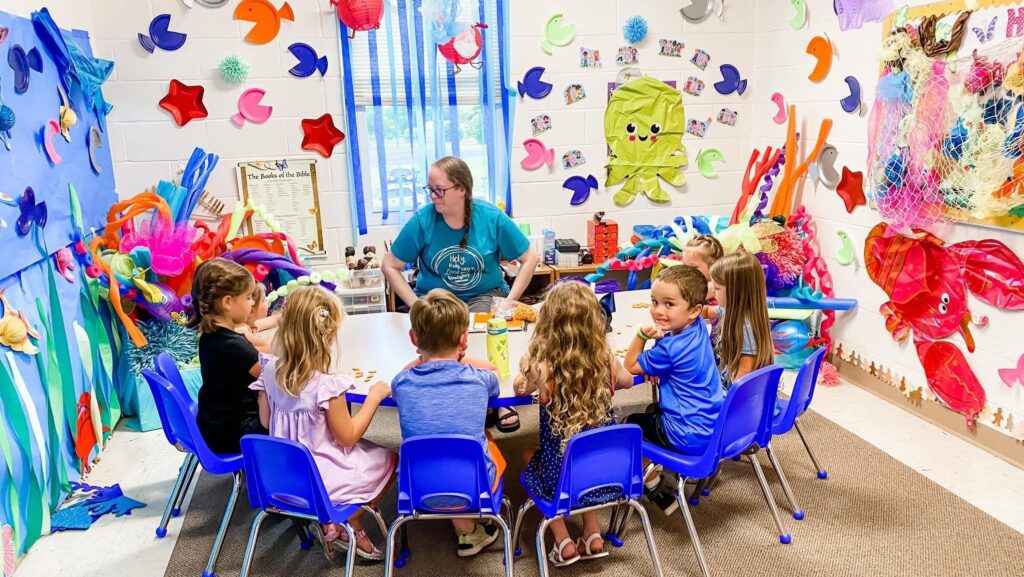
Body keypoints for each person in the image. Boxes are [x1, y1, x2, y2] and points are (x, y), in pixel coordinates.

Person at [383, 156, 538, 432]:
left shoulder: (491, 218)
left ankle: (498, 398)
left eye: (439, 190)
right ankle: (444, 397)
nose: (433, 196)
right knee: (442, 337)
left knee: (486, 331)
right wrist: (417, 305)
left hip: (484, 294)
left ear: (462, 189)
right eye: (429, 189)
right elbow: (390, 265)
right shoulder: (422, 221)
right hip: (438, 299)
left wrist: (510, 301)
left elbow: (530, 257)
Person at [251, 286, 396, 561]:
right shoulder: (328, 386)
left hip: (282, 477)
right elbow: (348, 438)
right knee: (388, 458)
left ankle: (334, 526)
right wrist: (373, 398)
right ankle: (347, 524)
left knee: (370, 455)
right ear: (328, 335)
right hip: (323, 479)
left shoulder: (269, 370)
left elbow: (266, 421)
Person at [514, 282, 634, 567]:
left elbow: (520, 390)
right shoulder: (605, 359)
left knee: (530, 456)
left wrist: (527, 366)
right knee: (583, 462)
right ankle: (592, 535)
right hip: (609, 474)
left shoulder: (545, 368)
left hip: (563, 478)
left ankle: (563, 540)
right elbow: (628, 381)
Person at [390, 289, 506, 558]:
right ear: (463, 339)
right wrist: (461, 358)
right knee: (487, 439)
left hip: (416, 486)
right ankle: (473, 526)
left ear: (413, 338)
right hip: (476, 487)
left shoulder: (402, 383)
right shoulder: (479, 379)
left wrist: (422, 357)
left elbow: (402, 373)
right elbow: (494, 371)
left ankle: (466, 527)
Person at [623, 265, 724, 515]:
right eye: (655, 301)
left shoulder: (670, 349)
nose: (658, 311)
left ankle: (656, 488)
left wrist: (641, 336)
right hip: (714, 429)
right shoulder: (699, 326)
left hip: (686, 435)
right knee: (651, 411)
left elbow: (630, 365)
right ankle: (657, 470)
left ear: (694, 310)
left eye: (669, 304)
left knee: (629, 424)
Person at [190, 258, 266, 455]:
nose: (252, 303)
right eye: (248, 297)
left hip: (215, 427)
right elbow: (273, 375)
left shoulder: (211, 336)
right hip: (236, 434)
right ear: (227, 302)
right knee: (293, 416)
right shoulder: (232, 345)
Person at [708, 252, 774, 388]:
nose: (713, 292)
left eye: (717, 288)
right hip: (742, 390)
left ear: (734, 292)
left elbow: (744, 375)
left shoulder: (745, 327)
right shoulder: (734, 312)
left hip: (744, 400)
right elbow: (705, 311)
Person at [236, 283, 278, 353]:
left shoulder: (251, 324)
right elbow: (268, 348)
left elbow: (276, 319)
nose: (267, 301)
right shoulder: (243, 331)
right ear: (251, 312)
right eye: (264, 300)